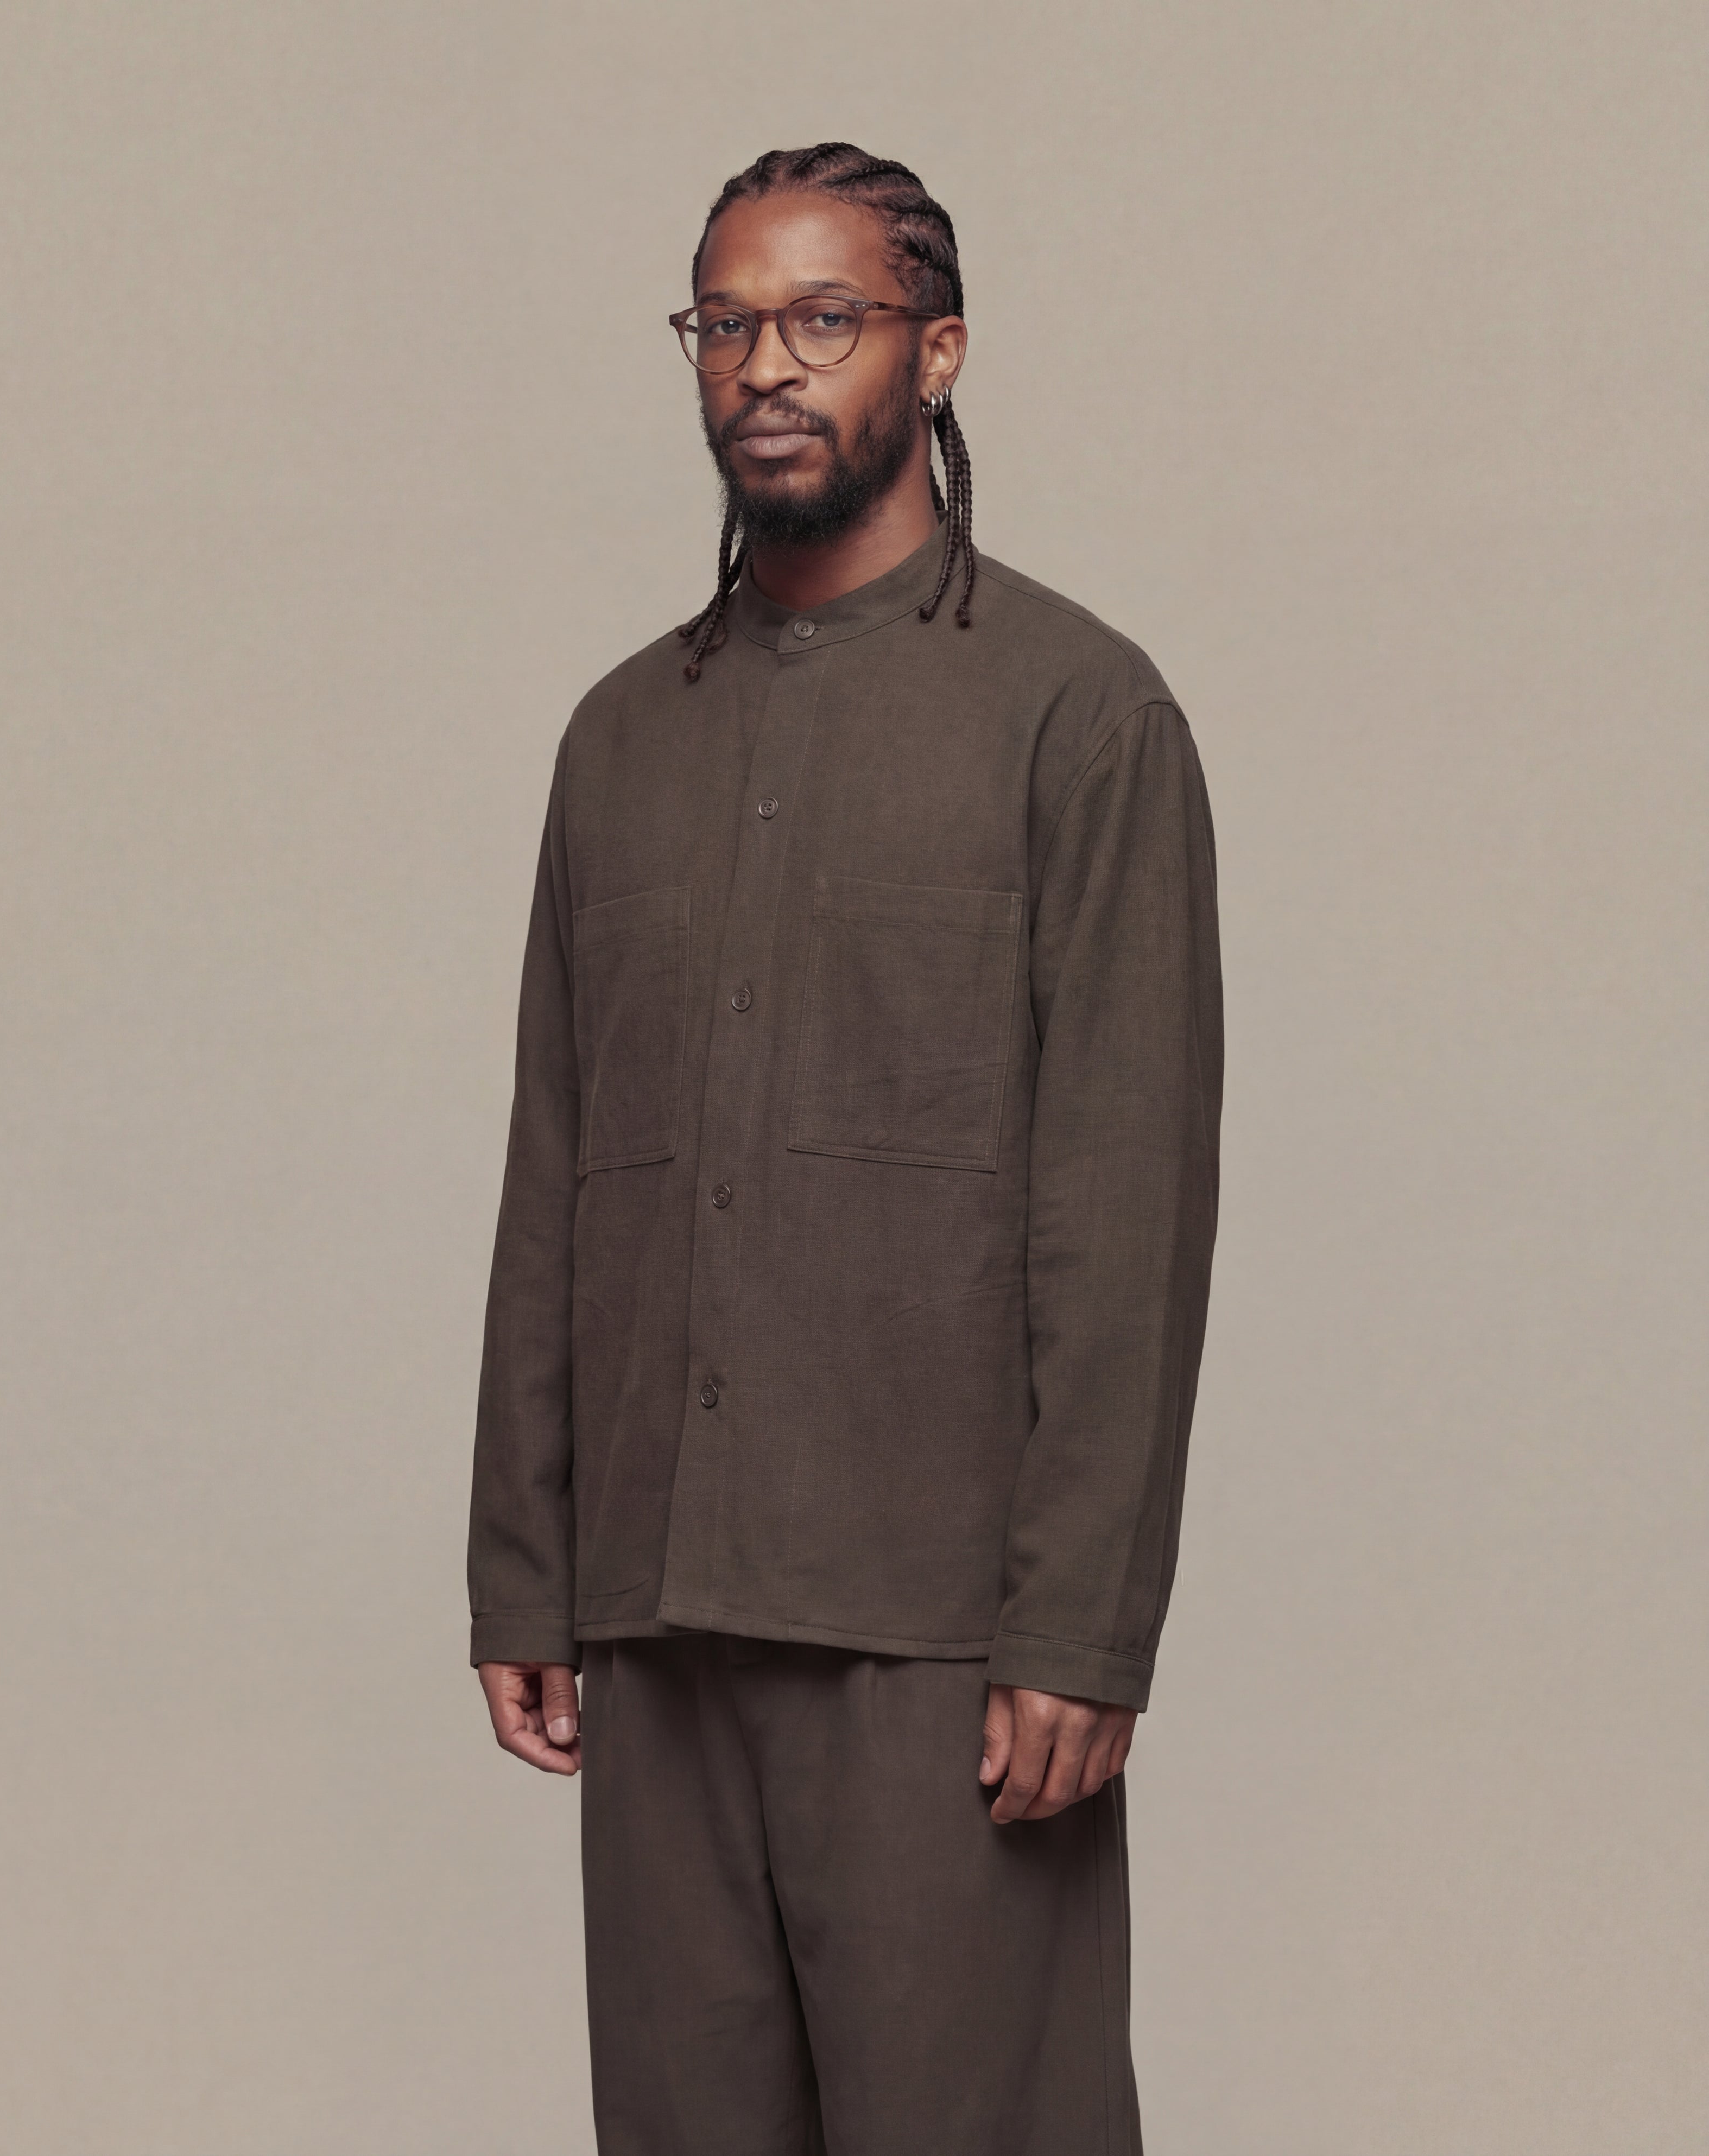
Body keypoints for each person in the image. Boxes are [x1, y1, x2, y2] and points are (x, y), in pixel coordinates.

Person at [466, 142, 1224, 2156]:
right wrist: (526, 1564)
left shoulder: (1081, 715)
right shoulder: (617, 738)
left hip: (942, 1638)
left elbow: (1127, 1206)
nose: (766, 367)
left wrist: (1079, 1624)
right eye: (726, 324)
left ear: (937, 353)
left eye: (824, 318)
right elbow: (556, 1170)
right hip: (658, 1614)